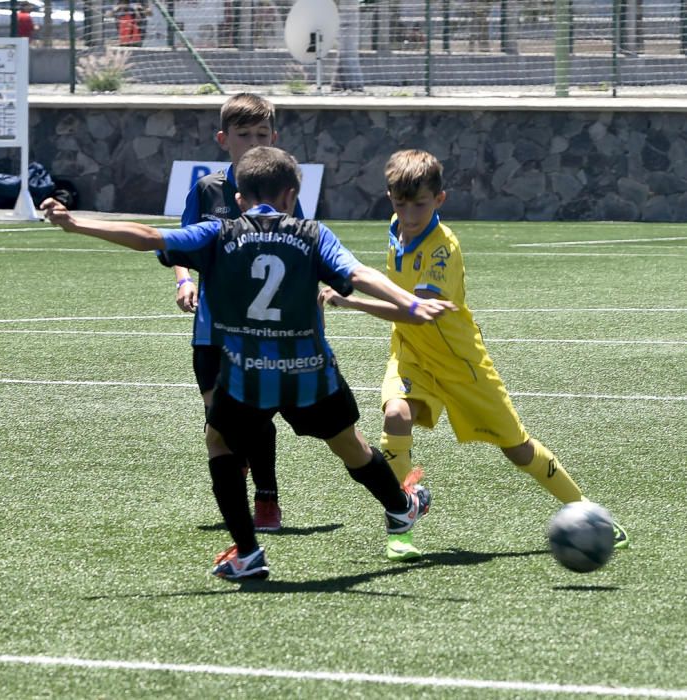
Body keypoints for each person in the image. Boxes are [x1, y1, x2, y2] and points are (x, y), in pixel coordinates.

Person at [40, 146, 455, 582]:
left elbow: (150, 237)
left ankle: (249, 552)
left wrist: (76, 223)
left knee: (218, 441)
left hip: (248, 374)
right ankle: (401, 506)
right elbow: (356, 274)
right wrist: (408, 301)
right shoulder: (313, 234)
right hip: (310, 373)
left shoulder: (218, 233)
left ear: (239, 198)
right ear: (291, 196)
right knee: (351, 444)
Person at [320, 149, 629, 562]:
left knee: (517, 448)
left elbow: (414, 312)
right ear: (390, 198)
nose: (409, 214)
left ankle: (587, 512)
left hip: (461, 363)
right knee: (396, 415)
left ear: (440, 200)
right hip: (411, 354)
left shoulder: (442, 250)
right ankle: (400, 522)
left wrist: (350, 302)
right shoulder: (396, 225)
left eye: (420, 204)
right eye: (400, 203)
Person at [174, 93, 304, 532]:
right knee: (219, 422)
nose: (252, 142)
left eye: (261, 134)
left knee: (250, 416)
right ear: (223, 138)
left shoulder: (280, 190)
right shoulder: (208, 189)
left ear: (275, 138)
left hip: (261, 329)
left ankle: (265, 502)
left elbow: (299, 244)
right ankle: (242, 515)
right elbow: (181, 243)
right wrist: (184, 281)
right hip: (211, 327)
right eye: (243, 135)